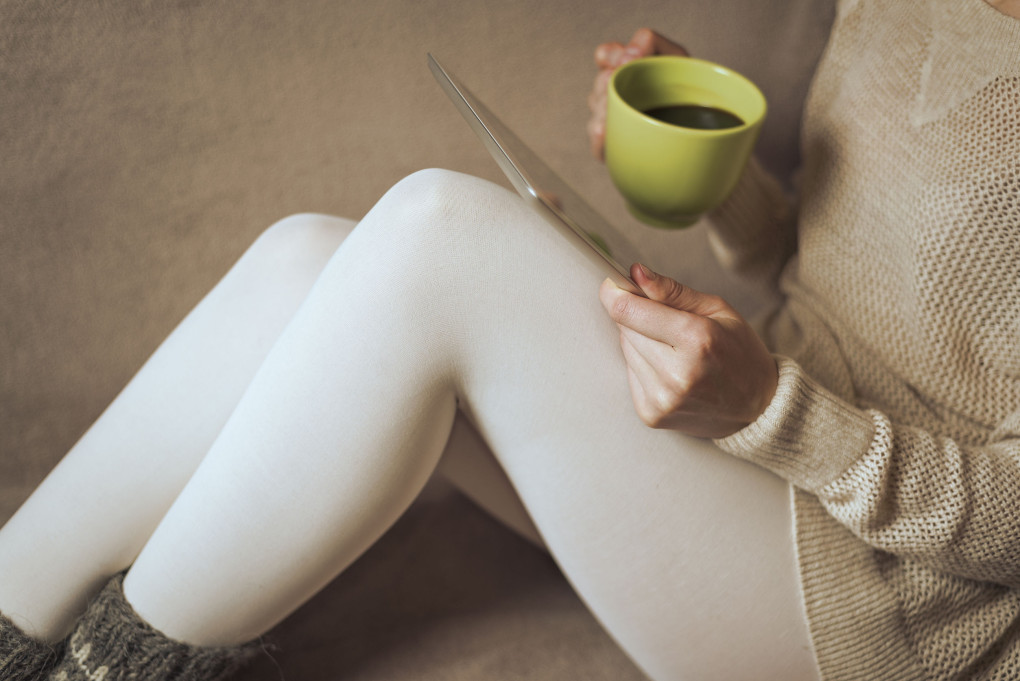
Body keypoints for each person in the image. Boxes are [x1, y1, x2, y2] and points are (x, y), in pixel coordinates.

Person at [1, 0, 1018, 679]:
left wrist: (773, 414)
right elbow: (854, 271)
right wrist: (714, 170)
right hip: (774, 437)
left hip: (892, 600)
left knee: (437, 235)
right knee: (305, 259)